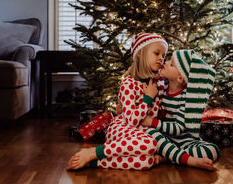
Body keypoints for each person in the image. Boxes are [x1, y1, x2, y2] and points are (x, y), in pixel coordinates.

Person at [66, 33, 168, 170]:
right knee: (150, 144)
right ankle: (94, 152)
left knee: (147, 161)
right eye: (156, 53)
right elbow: (132, 121)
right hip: (123, 129)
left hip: (142, 134)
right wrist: (148, 98)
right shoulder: (128, 84)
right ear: (140, 54)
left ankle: (95, 163)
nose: (161, 58)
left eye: (163, 55)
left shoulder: (159, 83)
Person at [141, 49, 219, 171]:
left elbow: (178, 128)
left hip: (185, 142)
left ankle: (168, 157)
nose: (165, 62)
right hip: (164, 139)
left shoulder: (186, 97)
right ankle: (183, 158)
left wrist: (152, 122)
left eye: (171, 64)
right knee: (150, 133)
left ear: (180, 78)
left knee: (213, 150)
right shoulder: (161, 90)